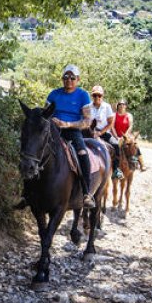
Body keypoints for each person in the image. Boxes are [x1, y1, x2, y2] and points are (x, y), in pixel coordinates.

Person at [47, 64, 97, 208]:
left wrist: (68, 124)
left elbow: (87, 121)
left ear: (78, 79)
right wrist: (51, 119)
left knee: (82, 153)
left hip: (72, 130)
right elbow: (45, 114)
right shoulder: (54, 94)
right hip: (53, 129)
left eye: (72, 77)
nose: (69, 80)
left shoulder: (83, 95)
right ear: (62, 78)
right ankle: (27, 192)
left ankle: (86, 193)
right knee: (35, 148)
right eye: (66, 77)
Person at [111, 99, 146, 171]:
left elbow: (130, 126)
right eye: (120, 104)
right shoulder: (114, 115)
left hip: (127, 136)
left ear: (126, 106)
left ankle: (141, 163)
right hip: (116, 135)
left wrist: (125, 136)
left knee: (134, 145)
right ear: (118, 106)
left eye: (123, 104)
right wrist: (116, 136)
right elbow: (112, 127)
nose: (121, 106)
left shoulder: (129, 115)